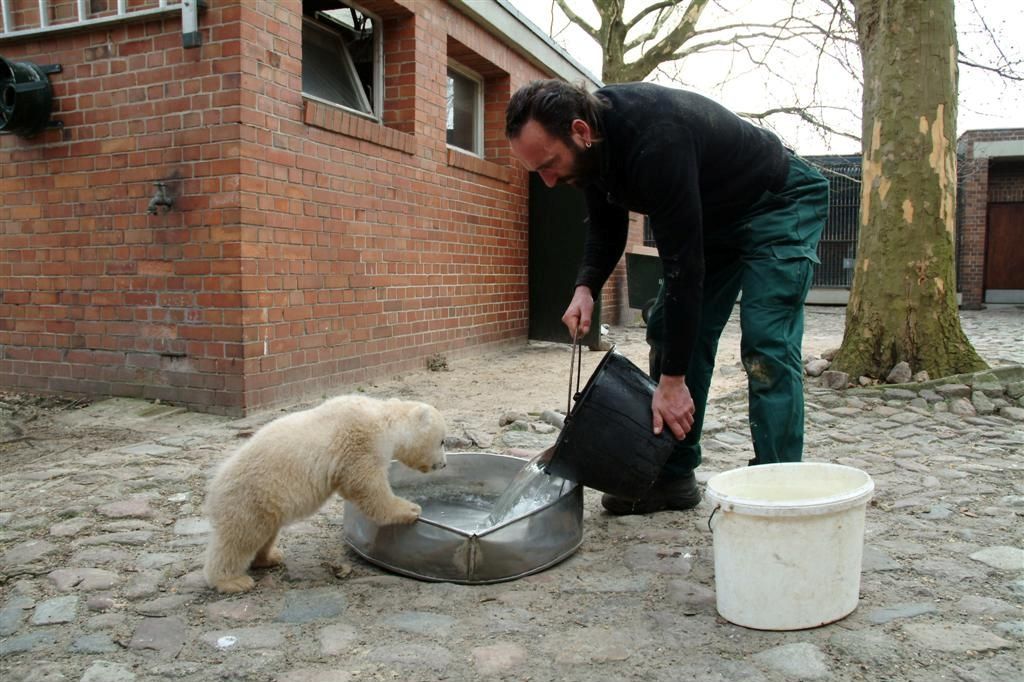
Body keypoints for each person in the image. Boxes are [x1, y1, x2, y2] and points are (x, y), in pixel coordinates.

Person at [505, 79, 829, 515]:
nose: (546, 182)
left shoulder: (655, 140)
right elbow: (606, 226)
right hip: (714, 216)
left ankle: (780, 489)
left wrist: (673, 383)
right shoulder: (591, 152)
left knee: (766, 342)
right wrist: (585, 287)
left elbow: (684, 271)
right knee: (667, 330)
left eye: (549, 164)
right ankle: (673, 478)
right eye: (536, 171)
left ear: (580, 131)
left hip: (778, 201)